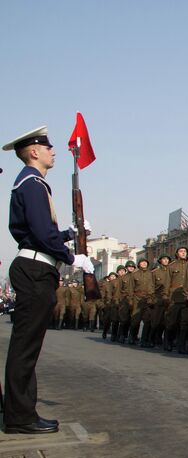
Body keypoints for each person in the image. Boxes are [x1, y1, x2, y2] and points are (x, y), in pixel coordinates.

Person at [3, 126, 94, 434]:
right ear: (33, 152)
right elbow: (41, 234)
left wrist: (69, 234)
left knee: (27, 346)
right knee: (25, 348)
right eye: (48, 147)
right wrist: (72, 257)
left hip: (35, 267)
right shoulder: (31, 184)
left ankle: (21, 411)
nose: (53, 151)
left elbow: (40, 231)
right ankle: (19, 417)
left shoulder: (32, 184)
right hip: (35, 270)